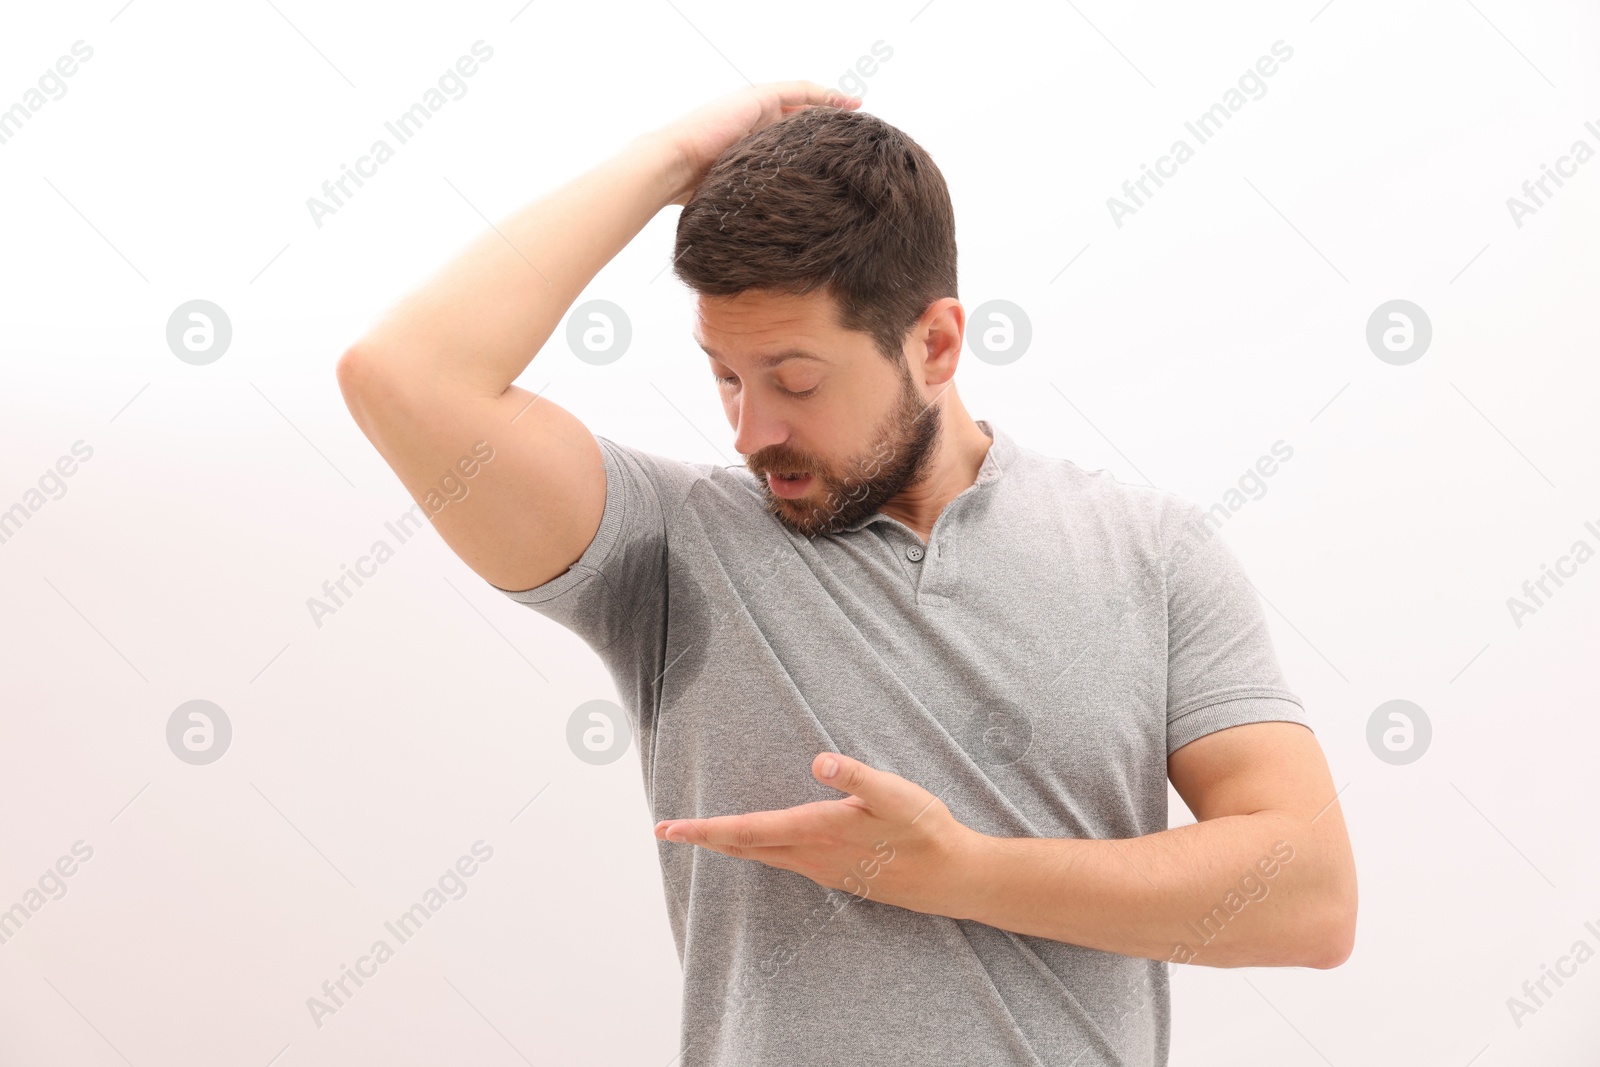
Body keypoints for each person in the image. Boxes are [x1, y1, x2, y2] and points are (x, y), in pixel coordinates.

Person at [336, 80, 1357, 1067]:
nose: (750, 429)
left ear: (937, 343)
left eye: (794, 378)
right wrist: (672, 160)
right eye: (724, 374)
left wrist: (963, 872)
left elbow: (1307, 896)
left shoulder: (1149, 551)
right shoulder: (669, 546)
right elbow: (404, 375)